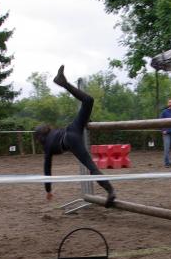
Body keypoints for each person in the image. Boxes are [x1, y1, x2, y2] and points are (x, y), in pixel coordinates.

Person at [34, 65, 116, 207]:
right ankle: (64, 83)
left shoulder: (47, 147)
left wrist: (48, 190)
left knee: (92, 167)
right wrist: (84, 121)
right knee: (88, 100)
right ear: (47, 130)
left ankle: (111, 191)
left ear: (40, 138)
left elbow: (47, 171)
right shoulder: (52, 133)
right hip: (73, 128)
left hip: (70, 139)